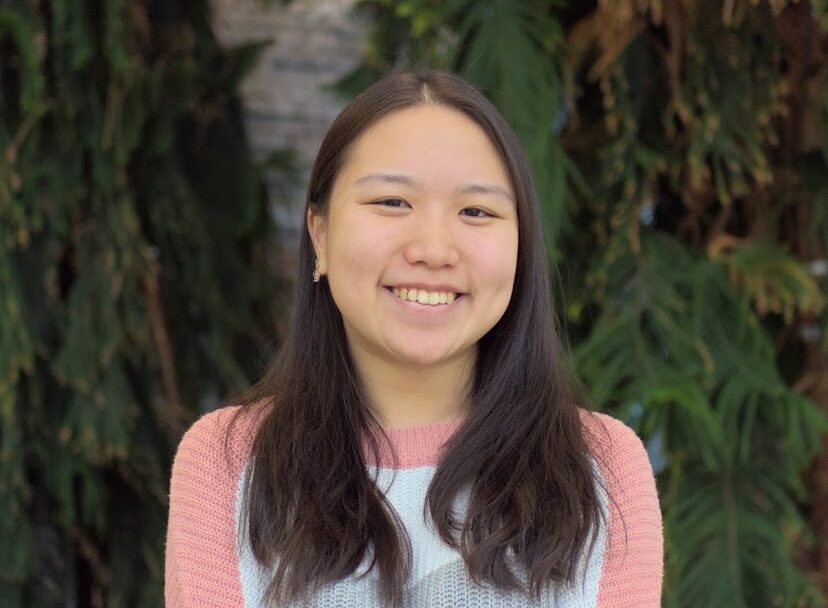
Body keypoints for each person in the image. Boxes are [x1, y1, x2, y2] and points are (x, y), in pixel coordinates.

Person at [164, 69, 663, 607]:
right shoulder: (229, 463)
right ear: (321, 234)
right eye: (391, 202)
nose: (433, 248)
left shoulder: (602, 470)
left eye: (476, 211)